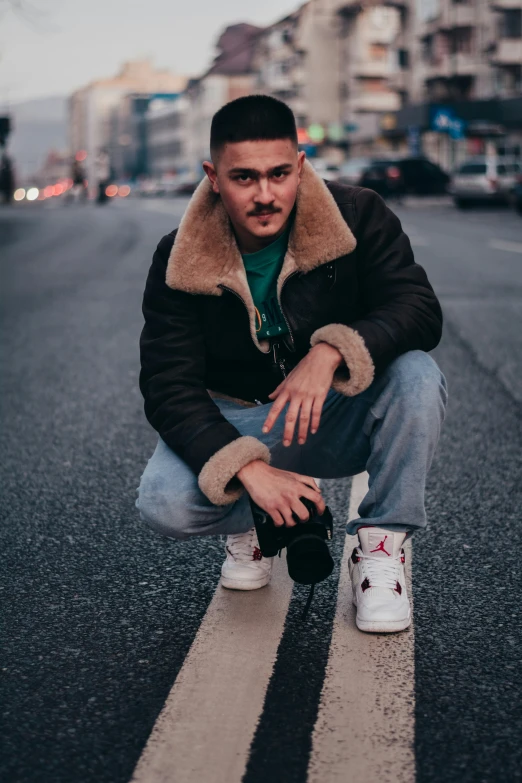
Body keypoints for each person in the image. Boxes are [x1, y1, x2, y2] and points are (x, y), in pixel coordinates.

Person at [137, 96, 447, 634]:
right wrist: (248, 470)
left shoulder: (357, 213)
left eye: (280, 174)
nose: (265, 195)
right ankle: (263, 517)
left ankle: (379, 547)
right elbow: (168, 383)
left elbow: (418, 308)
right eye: (245, 178)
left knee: (417, 376)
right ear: (213, 176)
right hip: (239, 421)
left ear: (300, 165)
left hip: (330, 412)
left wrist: (331, 352)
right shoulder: (179, 256)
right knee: (163, 503)